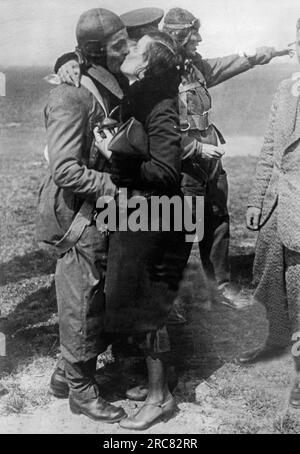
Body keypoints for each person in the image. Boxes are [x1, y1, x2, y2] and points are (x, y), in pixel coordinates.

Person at [56, 7, 291, 309]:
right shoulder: (142, 76)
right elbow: (152, 128)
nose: (200, 40)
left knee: (217, 221)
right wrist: (67, 60)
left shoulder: (193, 67)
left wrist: (270, 53)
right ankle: (167, 301)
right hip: (181, 166)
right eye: (195, 34)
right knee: (179, 232)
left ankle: (220, 286)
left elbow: (231, 62)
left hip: (209, 164)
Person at [37, 8, 129, 422]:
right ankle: (81, 390)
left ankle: (64, 374)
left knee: (94, 293)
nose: (126, 50)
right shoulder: (71, 95)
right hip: (78, 211)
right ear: (95, 51)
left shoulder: (101, 84)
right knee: (82, 297)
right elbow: (65, 170)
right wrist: (116, 188)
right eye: (118, 45)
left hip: (97, 207)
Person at [94, 30, 186, 430]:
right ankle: (157, 384)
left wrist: (114, 155)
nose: (129, 49)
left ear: (147, 64)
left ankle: (159, 397)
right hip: (139, 211)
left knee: (150, 305)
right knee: (132, 297)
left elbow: (166, 172)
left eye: (137, 48)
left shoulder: (160, 105)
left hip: (157, 214)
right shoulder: (137, 94)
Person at [236, 20, 300, 409]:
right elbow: (269, 149)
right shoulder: (285, 87)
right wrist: (256, 200)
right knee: (268, 274)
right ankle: (274, 338)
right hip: (278, 201)